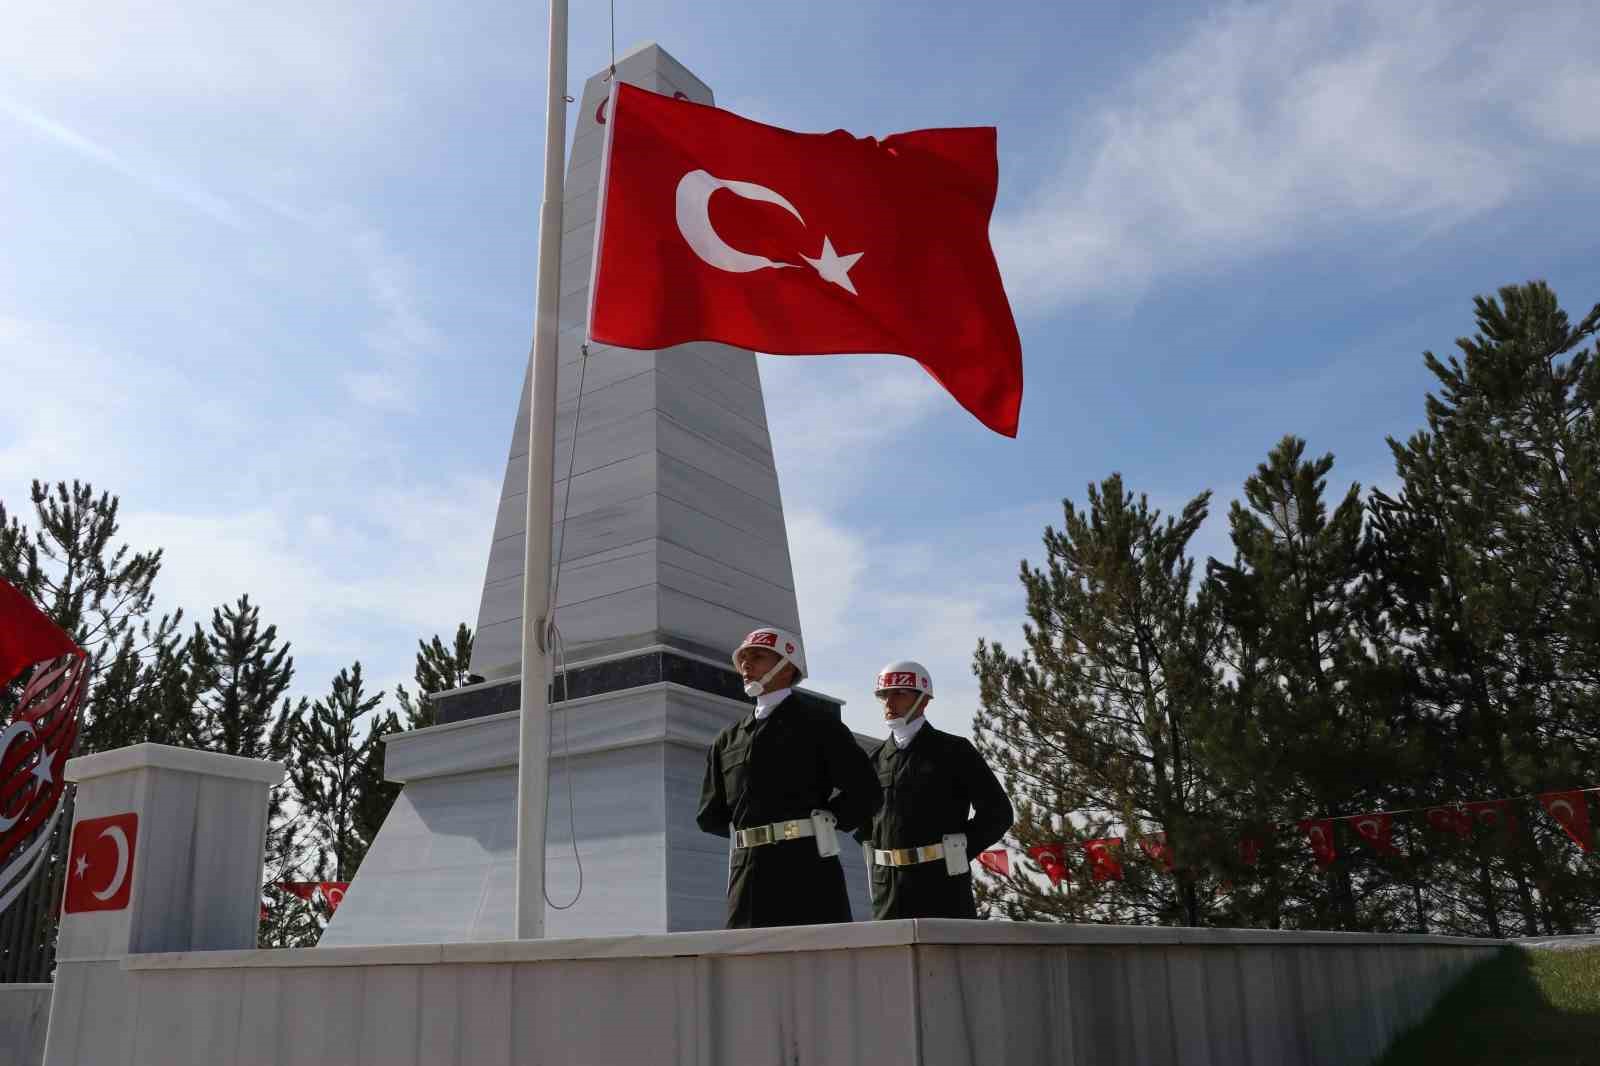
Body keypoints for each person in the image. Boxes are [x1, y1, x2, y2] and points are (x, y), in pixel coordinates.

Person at [696, 626, 881, 928]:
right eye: (743, 659)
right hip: (748, 875)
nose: (746, 665)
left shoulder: (819, 726)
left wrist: (826, 820)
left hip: (807, 870)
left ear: (787, 667)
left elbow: (867, 791)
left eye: (757, 657)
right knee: (747, 967)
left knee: (818, 965)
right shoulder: (726, 740)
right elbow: (710, 815)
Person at [855, 660, 1013, 919]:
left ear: (924, 700)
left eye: (899, 694)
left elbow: (999, 813)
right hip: (887, 891)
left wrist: (958, 850)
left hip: (941, 885)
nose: (888, 702)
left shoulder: (954, 751)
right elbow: (863, 820)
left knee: (947, 958)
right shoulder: (875, 759)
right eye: (884, 695)